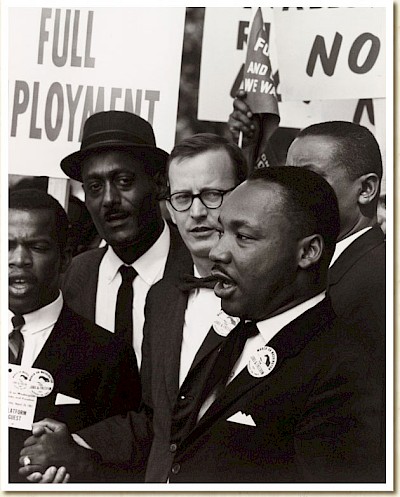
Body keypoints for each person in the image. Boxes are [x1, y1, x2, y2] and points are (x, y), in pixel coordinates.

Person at [19, 168, 384, 482]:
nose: (218, 251)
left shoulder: (348, 371)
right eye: (222, 232)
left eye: (244, 237)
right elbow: (169, 431)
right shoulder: (234, 332)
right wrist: (80, 451)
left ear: (308, 252)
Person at [8, 189, 141, 483]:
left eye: (37, 247)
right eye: (6, 245)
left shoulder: (107, 355)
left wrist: (80, 466)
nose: (19, 259)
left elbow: (125, 469)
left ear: (65, 259)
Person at [229, 101, 385, 343]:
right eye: (289, 176)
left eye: (309, 178)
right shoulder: (298, 261)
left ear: (366, 189)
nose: (290, 190)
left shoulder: (382, 280)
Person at [60, 110, 191, 367]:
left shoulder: (198, 268)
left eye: (123, 181)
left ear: (159, 185)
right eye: (95, 187)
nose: (109, 199)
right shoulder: (73, 277)